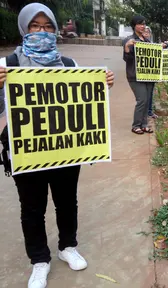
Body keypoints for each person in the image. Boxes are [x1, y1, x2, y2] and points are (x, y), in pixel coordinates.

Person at [0, 3, 115, 288]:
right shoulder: (8, 65)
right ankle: (39, 260)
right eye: (35, 27)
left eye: (48, 27)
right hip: (26, 152)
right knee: (32, 208)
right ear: (24, 29)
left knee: (67, 202)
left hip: (65, 150)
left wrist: (102, 86)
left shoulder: (69, 65)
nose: (42, 32)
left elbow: (84, 106)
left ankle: (68, 247)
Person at [123, 15, 154, 134]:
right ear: (134, 26)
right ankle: (136, 125)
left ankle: (144, 124)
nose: (143, 26)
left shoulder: (146, 41)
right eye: (140, 24)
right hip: (135, 76)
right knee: (142, 100)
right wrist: (127, 47)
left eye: (144, 24)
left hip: (148, 76)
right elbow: (127, 59)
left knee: (147, 101)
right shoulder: (130, 40)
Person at [142, 26, 158, 119]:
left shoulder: (152, 44)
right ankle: (144, 112)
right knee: (142, 95)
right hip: (142, 74)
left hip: (151, 74)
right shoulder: (138, 44)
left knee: (150, 93)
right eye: (144, 32)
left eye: (148, 32)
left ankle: (149, 111)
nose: (146, 34)